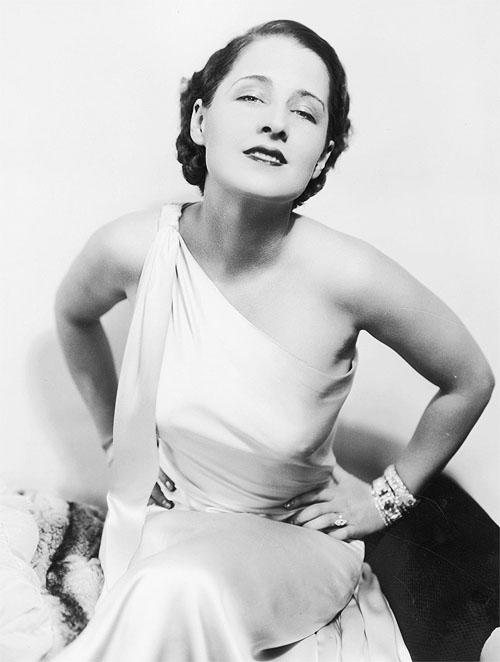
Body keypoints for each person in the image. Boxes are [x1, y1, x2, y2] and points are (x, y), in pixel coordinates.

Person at [53, 19, 494, 662]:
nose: (276, 123)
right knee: (165, 582)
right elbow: (72, 316)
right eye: (252, 96)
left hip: (296, 542)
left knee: (181, 587)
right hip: (164, 527)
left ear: (322, 156)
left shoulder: (349, 274)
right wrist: (117, 446)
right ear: (201, 120)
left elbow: (469, 380)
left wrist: (386, 499)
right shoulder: (134, 247)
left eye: (305, 112)